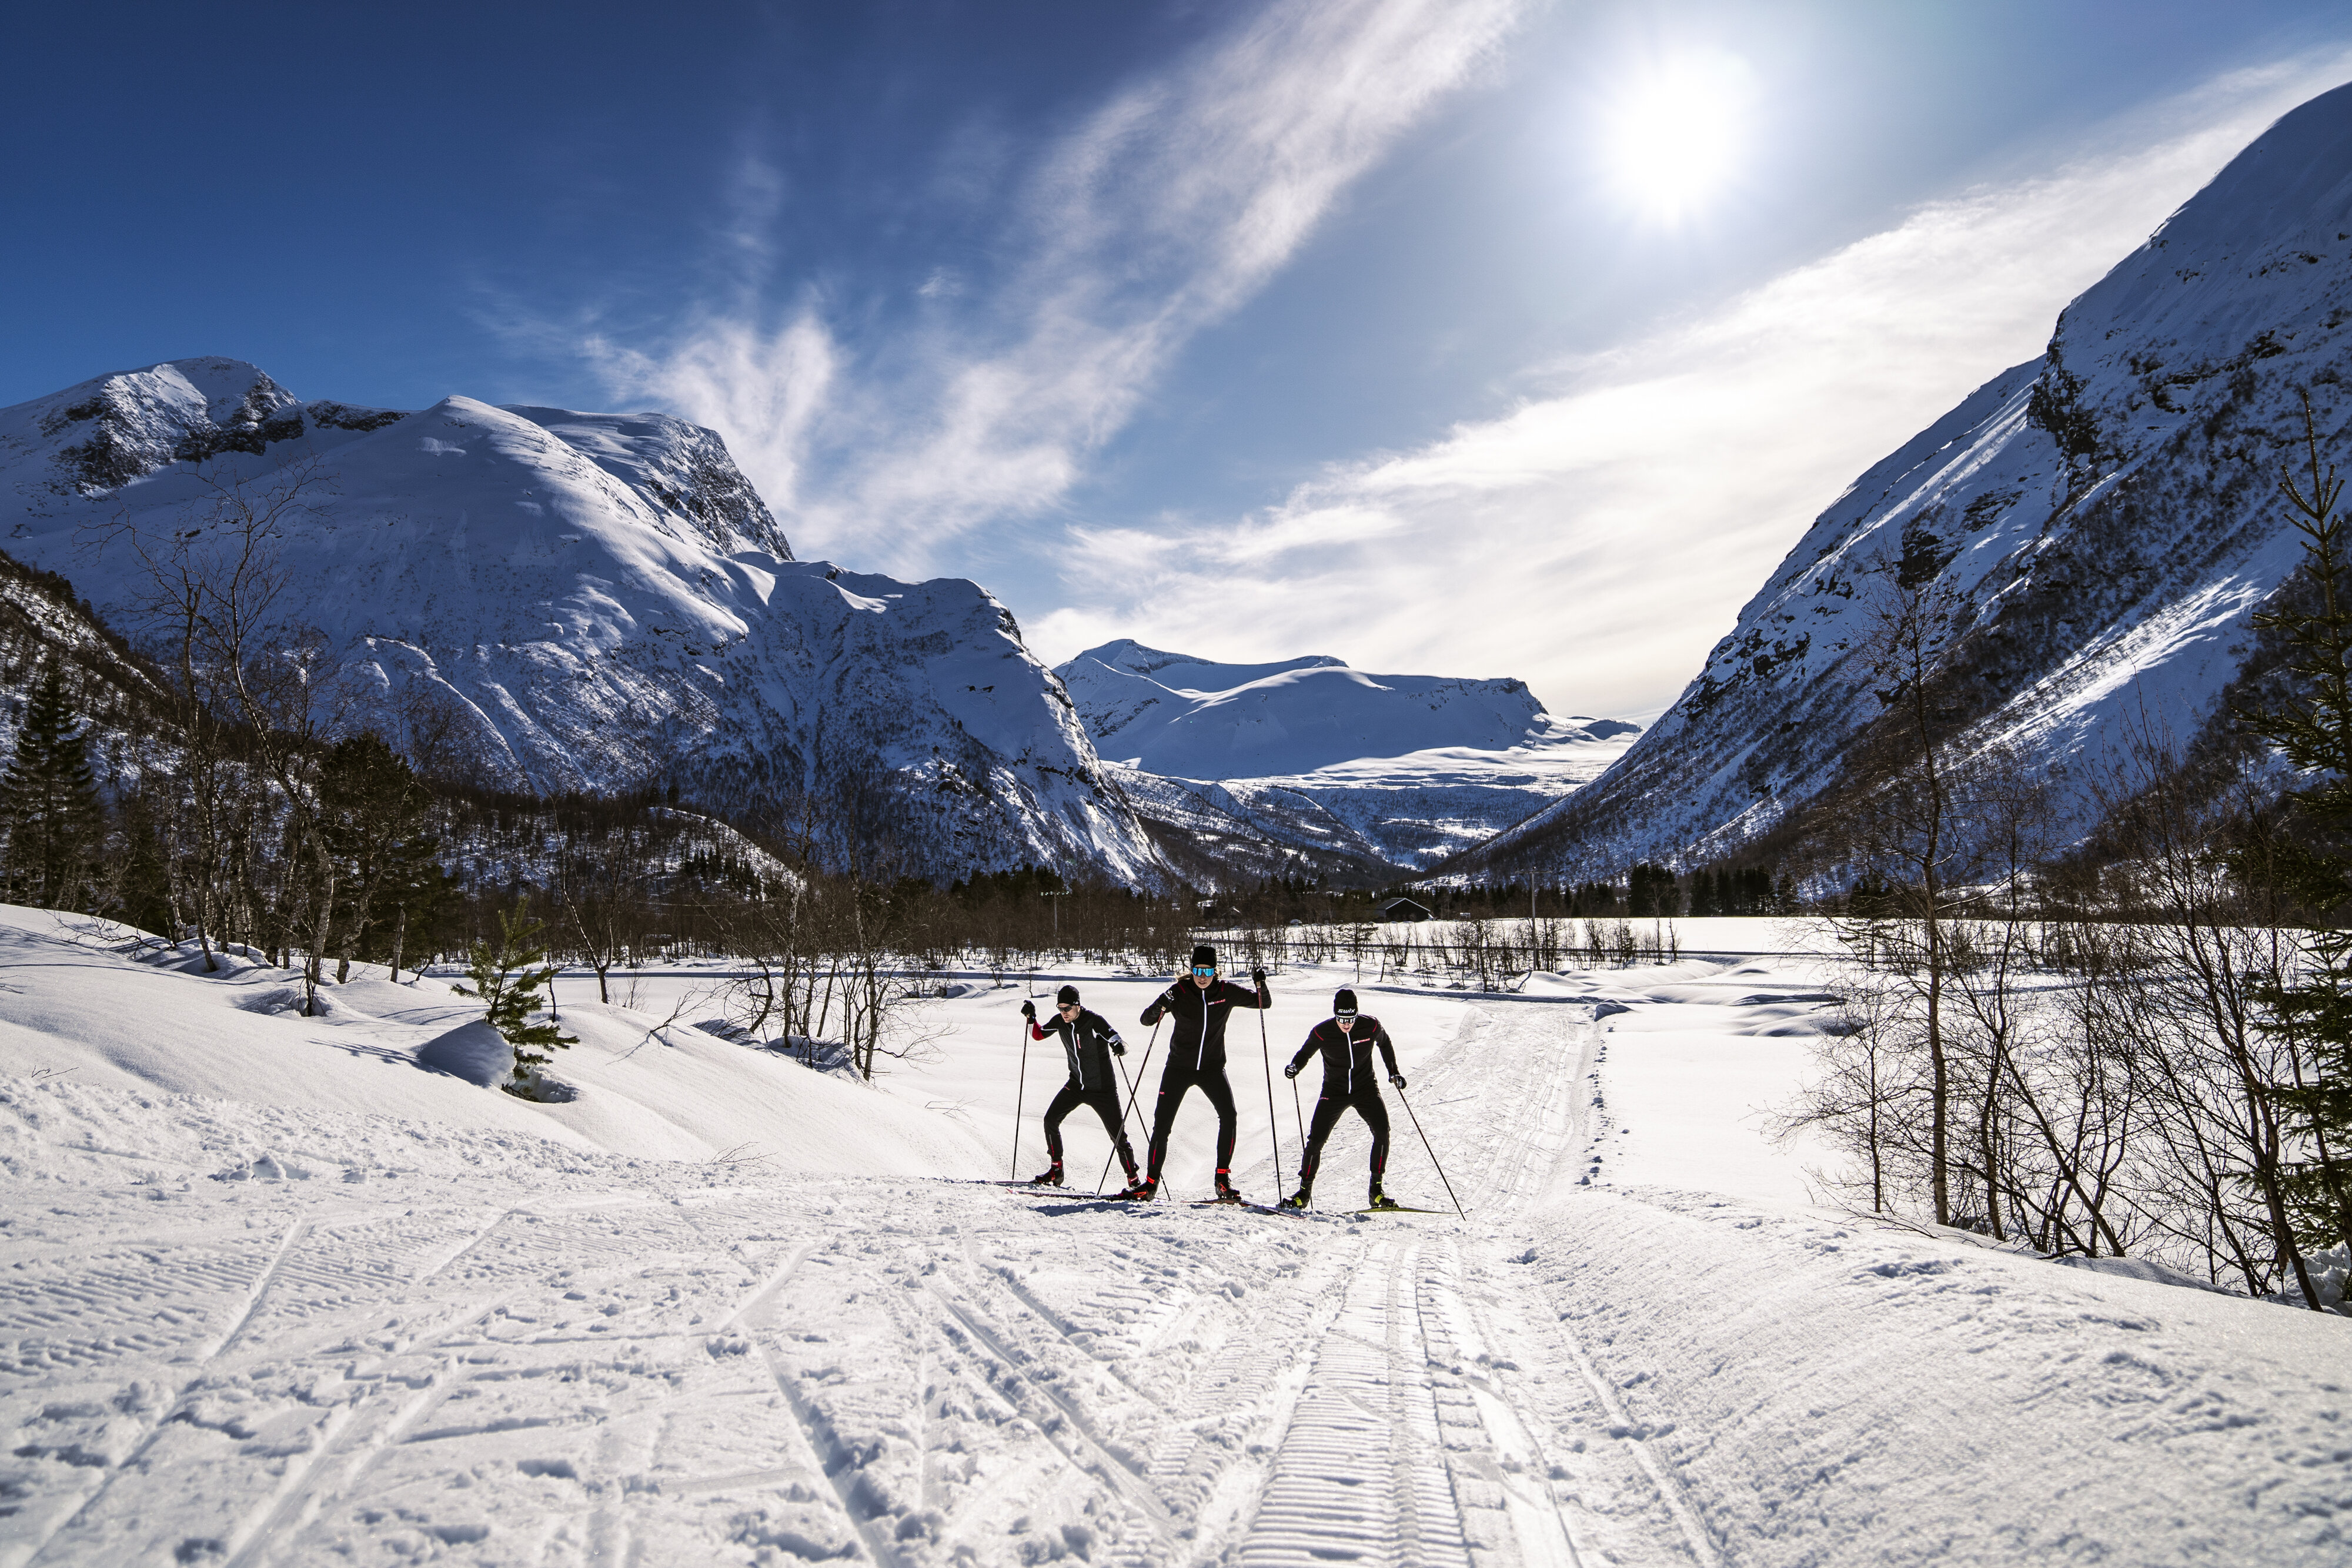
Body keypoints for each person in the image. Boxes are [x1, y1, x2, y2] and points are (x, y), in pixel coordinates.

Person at [1116, 944, 1271, 1202]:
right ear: (1191, 970)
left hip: (1212, 1069)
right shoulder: (1179, 991)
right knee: (1162, 1126)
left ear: (1215, 971)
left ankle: (1222, 1180)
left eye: (1207, 971)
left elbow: (1263, 1003)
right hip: (1179, 1068)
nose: (1202, 976)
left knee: (1229, 1116)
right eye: (1198, 970)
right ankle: (1150, 1184)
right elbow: (1146, 1020)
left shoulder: (1226, 992)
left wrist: (1260, 984)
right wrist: (1161, 1004)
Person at [1281, 987, 1404, 1211]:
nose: (1347, 1024)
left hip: (1366, 1088)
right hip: (1334, 1091)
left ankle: (1376, 1191)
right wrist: (1294, 1067)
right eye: (1342, 1019)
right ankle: (1303, 1193)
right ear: (1335, 1015)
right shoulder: (1322, 1032)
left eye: (1351, 1019)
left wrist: (1394, 1072)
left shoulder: (1370, 1026)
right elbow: (1305, 1053)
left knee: (1382, 1131)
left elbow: (1385, 1043)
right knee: (1316, 1140)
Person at [1020, 984, 1138, 1188]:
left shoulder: (1094, 1021)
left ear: (1077, 1005)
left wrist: (1119, 1047)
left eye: (1067, 1008)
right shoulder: (1060, 1021)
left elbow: (1120, 1042)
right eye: (1060, 1008)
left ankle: (1134, 1180)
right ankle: (1057, 1170)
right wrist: (1031, 1018)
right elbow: (1038, 1035)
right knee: (1050, 1120)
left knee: (1118, 1136)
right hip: (1076, 1085)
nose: (1064, 1013)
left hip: (1102, 1089)